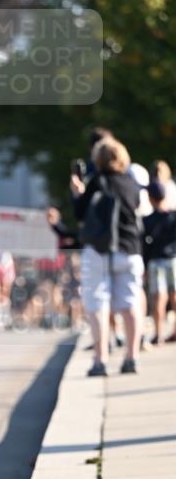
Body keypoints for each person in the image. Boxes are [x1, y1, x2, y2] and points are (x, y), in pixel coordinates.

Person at [71, 137, 144, 375]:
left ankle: (100, 360)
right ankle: (131, 357)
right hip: (129, 248)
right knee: (130, 304)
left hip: (98, 250)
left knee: (97, 305)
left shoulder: (96, 183)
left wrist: (77, 193)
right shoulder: (131, 184)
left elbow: (80, 214)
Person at [143, 180, 176, 344]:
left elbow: (145, 245)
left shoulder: (147, 220)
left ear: (151, 198)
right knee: (174, 296)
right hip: (173, 259)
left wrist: (145, 265)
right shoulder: (173, 216)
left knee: (159, 298)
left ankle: (159, 333)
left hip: (156, 261)